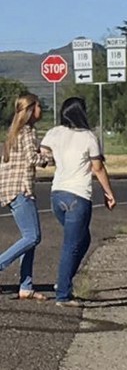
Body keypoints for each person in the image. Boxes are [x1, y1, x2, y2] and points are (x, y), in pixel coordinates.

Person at [40, 97, 116, 307]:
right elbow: (98, 168)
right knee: (72, 244)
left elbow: (44, 155)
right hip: (78, 196)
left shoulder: (54, 133)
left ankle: (64, 281)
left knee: (83, 239)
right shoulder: (88, 137)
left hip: (57, 195)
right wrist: (108, 192)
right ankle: (63, 293)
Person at [0, 94, 50, 301]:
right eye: (39, 106)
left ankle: (26, 285)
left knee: (28, 240)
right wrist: (48, 157)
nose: (41, 110)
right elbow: (32, 159)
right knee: (33, 236)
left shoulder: (13, 133)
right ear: (30, 110)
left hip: (9, 190)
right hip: (22, 190)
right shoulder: (28, 131)